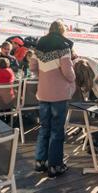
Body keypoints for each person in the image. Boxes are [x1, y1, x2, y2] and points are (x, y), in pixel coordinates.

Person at [30, 20, 75, 178]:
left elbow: (32, 67)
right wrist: (72, 76)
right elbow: (68, 73)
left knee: (44, 128)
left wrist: (45, 74)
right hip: (58, 95)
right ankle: (55, 165)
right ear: (62, 31)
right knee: (57, 130)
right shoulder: (63, 47)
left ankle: (40, 162)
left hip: (43, 94)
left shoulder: (40, 45)